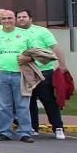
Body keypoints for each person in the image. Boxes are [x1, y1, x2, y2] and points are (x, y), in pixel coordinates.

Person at [17, 9, 67, 140]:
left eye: (24, 17)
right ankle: (33, 127)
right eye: (19, 17)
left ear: (30, 18)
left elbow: (55, 48)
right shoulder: (16, 33)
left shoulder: (42, 31)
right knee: (29, 101)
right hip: (26, 72)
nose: (21, 19)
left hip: (44, 72)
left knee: (49, 100)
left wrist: (62, 65)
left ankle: (58, 127)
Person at [0, 10, 35, 143]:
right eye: (4, 18)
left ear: (15, 19)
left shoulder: (25, 34)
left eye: (10, 18)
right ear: (0, 20)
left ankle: (25, 132)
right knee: (3, 105)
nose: (7, 20)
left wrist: (28, 58)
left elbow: (34, 54)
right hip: (1, 74)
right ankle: (5, 132)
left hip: (21, 74)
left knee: (23, 105)